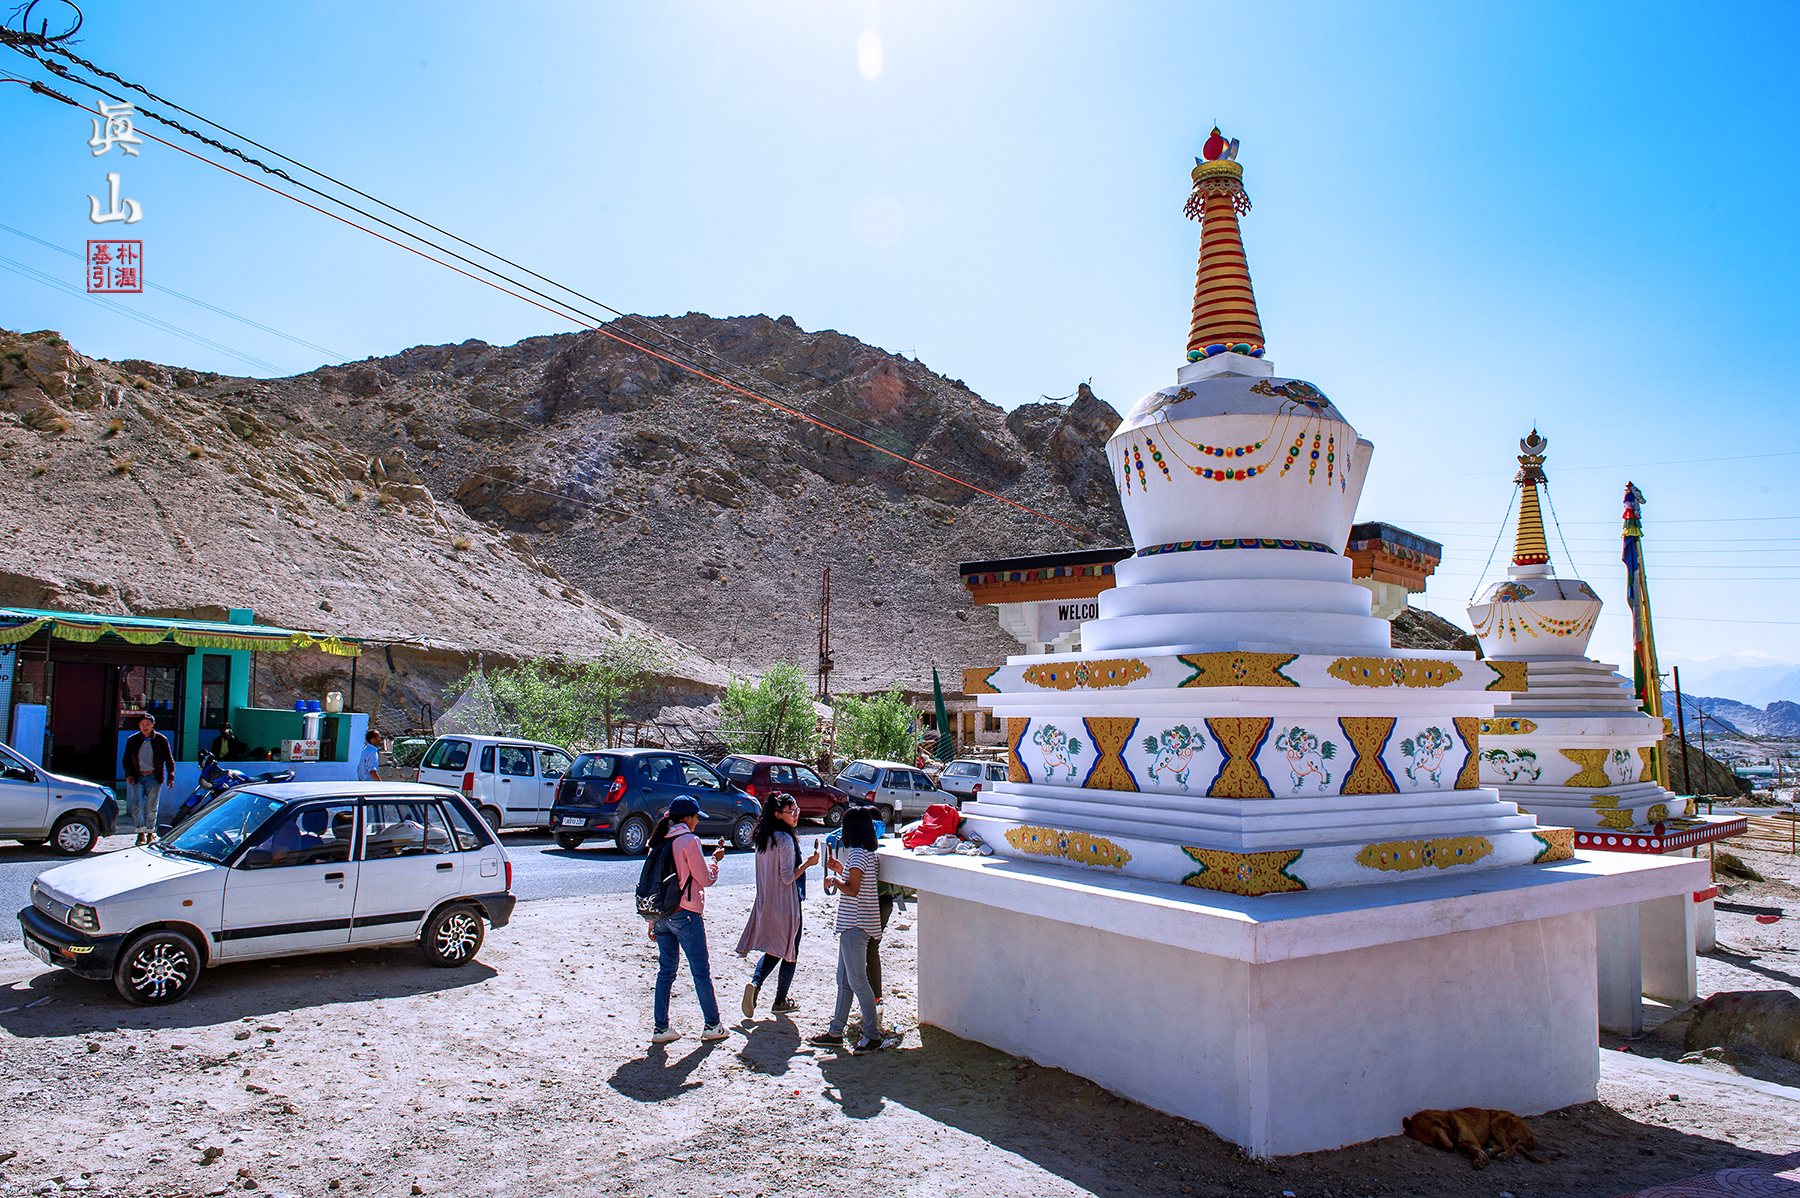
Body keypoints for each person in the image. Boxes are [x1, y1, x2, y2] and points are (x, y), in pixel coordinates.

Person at [808, 805, 894, 1053]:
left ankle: (871, 1034)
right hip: (862, 924)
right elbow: (860, 882)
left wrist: (833, 879)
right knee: (846, 981)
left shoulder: (857, 855)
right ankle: (836, 1032)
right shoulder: (867, 854)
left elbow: (852, 889)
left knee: (856, 982)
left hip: (854, 924)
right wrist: (840, 870)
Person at [647, 797, 730, 1045]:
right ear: (687, 818)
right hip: (686, 913)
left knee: (666, 972)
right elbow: (705, 879)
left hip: (661, 915)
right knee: (700, 971)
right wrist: (715, 861)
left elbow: (653, 884)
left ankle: (661, 1028)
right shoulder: (689, 840)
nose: (697, 822)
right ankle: (712, 1025)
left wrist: (651, 922)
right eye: (695, 817)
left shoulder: (657, 841)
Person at [736, 792, 819, 1019]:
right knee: (790, 950)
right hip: (786, 902)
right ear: (777, 814)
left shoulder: (763, 838)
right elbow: (788, 877)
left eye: (796, 810)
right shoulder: (784, 839)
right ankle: (780, 1000)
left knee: (775, 948)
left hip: (766, 901)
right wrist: (808, 863)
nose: (796, 815)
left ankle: (756, 983)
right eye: (791, 812)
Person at [121, 713, 174, 846]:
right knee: (137, 805)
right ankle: (140, 833)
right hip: (137, 777)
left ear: (152, 724)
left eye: (148, 724)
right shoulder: (132, 740)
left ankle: (150, 833)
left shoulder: (161, 740)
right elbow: (126, 760)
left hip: (154, 777)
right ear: (139, 725)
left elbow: (169, 759)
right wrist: (128, 775)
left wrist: (170, 775)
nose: (145, 727)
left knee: (151, 806)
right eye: (142, 724)